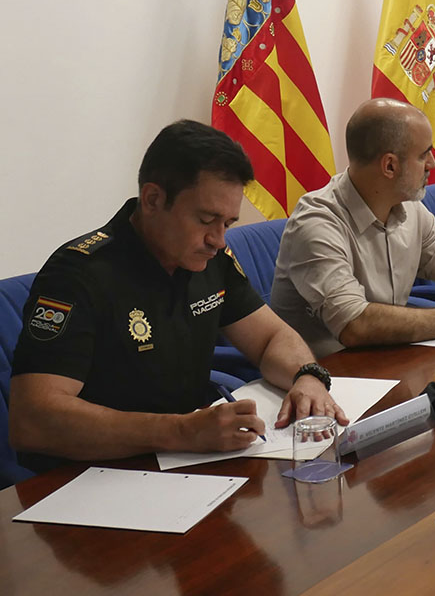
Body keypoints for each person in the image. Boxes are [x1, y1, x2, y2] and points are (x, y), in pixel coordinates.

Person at [9, 121, 346, 473]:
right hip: (93, 476)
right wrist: (181, 431)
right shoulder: (77, 275)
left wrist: (307, 376)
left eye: (228, 224)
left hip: (186, 460)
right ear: (153, 200)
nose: (218, 239)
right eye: (206, 219)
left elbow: (270, 337)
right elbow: (32, 420)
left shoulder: (209, 259)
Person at [271, 99, 435, 357]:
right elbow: (353, 324)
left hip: (387, 357)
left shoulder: (409, 207)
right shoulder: (317, 223)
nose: (432, 164)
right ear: (390, 165)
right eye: (423, 155)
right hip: (328, 371)